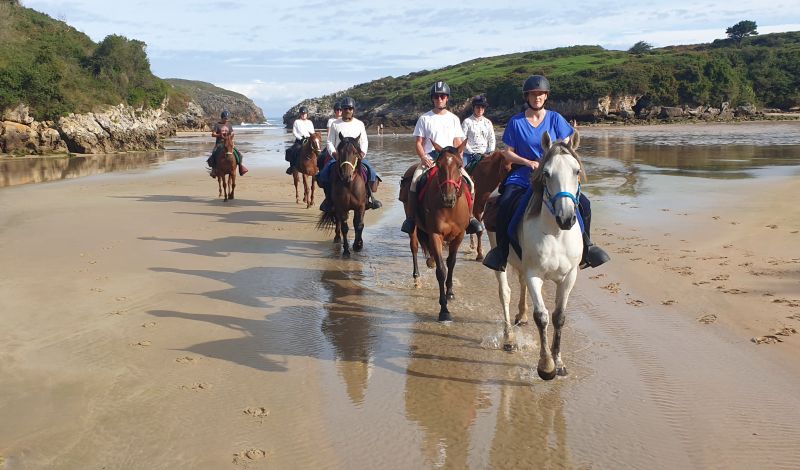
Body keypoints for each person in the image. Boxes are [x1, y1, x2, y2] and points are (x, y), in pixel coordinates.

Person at [482, 75, 610, 272]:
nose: (537, 97)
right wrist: (528, 162)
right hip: (524, 173)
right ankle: (502, 252)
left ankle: (587, 247)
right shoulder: (516, 122)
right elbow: (507, 152)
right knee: (506, 201)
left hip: (554, 174)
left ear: (546, 96)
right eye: (533, 94)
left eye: (540, 94)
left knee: (584, 203)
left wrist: (562, 159)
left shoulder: (556, 118)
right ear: (527, 97)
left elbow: (567, 144)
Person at [401, 81, 483, 235]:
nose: (440, 99)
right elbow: (419, 143)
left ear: (447, 98)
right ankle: (411, 219)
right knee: (414, 181)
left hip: (451, 158)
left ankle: (470, 218)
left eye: (443, 96)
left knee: (470, 184)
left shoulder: (453, 119)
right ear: (433, 98)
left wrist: (460, 160)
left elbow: (458, 142)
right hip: (432, 157)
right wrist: (424, 157)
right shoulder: (424, 118)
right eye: (437, 96)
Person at [317, 96, 382, 211]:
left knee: (371, 171)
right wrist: (334, 153)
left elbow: (364, 141)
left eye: (350, 108)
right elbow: (330, 141)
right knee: (324, 173)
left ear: (353, 110)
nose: (348, 111)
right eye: (345, 108)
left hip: (355, 157)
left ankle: (370, 197)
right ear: (342, 109)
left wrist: (362, 153)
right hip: (339, 157)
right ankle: (328, 199)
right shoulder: (335, 124)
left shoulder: (359, 124)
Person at [207, 110, 247, 177]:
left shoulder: (229, 125)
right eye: (225, 118)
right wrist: (219, 135)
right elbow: (213, 134)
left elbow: (232, 133)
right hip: (220, 143)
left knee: (239, 154)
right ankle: (214, 169)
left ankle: (240, 167)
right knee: (213, 154)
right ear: (222, 118)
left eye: (227, 118)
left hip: (228, 142)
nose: (226, 119)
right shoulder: (217, 125)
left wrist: (231, 136)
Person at [461, 95, 496, 169]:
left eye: (482, 107)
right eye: (478, 107)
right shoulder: (467, 122)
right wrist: (472, 153)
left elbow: (492, 139)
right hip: (469, 155)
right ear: (473, 108)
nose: (480, 109)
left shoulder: (488, 122)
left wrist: (489, 152)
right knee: (462, 172)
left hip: (485, 154)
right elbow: (463, 139)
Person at [286, 106, 315, 175]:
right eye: (302, 113)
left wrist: (310, 137)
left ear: (307, 114)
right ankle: (292, 167)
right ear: (300, 114)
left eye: (305, 113)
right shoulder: (297, 122)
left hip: (309, 140)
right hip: (300, 140)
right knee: (293, 151)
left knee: (317, 151)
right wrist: (300, 138)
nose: (303, 115)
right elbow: (294, 132)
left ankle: (317, 167)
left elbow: (313, 132)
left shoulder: (310, 122)